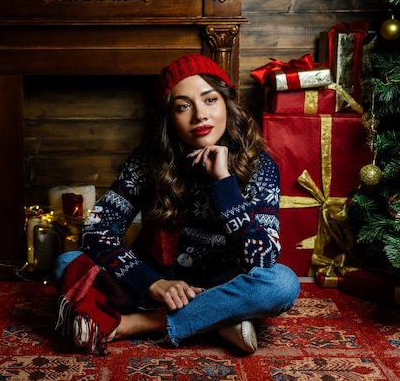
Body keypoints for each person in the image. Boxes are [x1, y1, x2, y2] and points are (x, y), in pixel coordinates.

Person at [54, 54, 300, 355]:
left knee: (282, 284)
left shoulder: (260, 165)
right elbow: (96, 231)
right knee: (67, 263)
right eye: (184, 106)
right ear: (170, 116)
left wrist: (223, 185)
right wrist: (152, 283)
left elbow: (262, 260)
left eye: (210, 100)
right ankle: (219, 321)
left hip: (226, 286)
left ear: (227, 104)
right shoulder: (148, 159)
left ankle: (144, 323)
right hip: (157, 285)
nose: (200, 116)